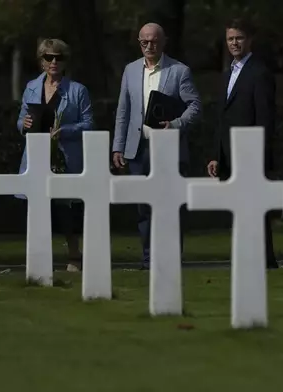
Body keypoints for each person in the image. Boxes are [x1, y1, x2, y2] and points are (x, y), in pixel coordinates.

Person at [113, 23, 202, 269]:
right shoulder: (130, 70)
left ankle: (172, 258)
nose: (149, 47)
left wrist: (174, 124)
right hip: (138, 149)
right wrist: (117, 146)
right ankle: (149, 259)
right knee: (143, 208)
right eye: (144, 42)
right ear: (139, 42)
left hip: (168, 149)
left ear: (163, 42)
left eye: (153, 42)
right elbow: (124, 110)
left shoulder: (179, 71)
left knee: (172, 205)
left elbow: (195, 107)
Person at [16, 38, 94, 272]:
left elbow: (89, 124)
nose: (53, 62)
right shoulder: (31, 87)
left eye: (59, 57)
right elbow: (20, 120)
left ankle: (74, 256)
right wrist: (24, 123)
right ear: (41, 61)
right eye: (48, 57)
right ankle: (41, 257)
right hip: (36, 156)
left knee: (66, 209)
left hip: (65, 157)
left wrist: (66, 131)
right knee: (38, 208)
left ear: (65, 62)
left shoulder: (78, 91)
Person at [206, 18, 278, 269]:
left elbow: (265, 118)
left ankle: (265, 260)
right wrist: (217, 154)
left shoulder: (260, 73)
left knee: (256, 209)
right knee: (238, 209)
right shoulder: (227, 75)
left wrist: (257, 153)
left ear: (249, 40)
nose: (234, 43)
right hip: (229, 152)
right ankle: (246, 257)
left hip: (251, 154)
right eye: (230, 39)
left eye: (239, 38)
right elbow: (222, 117)